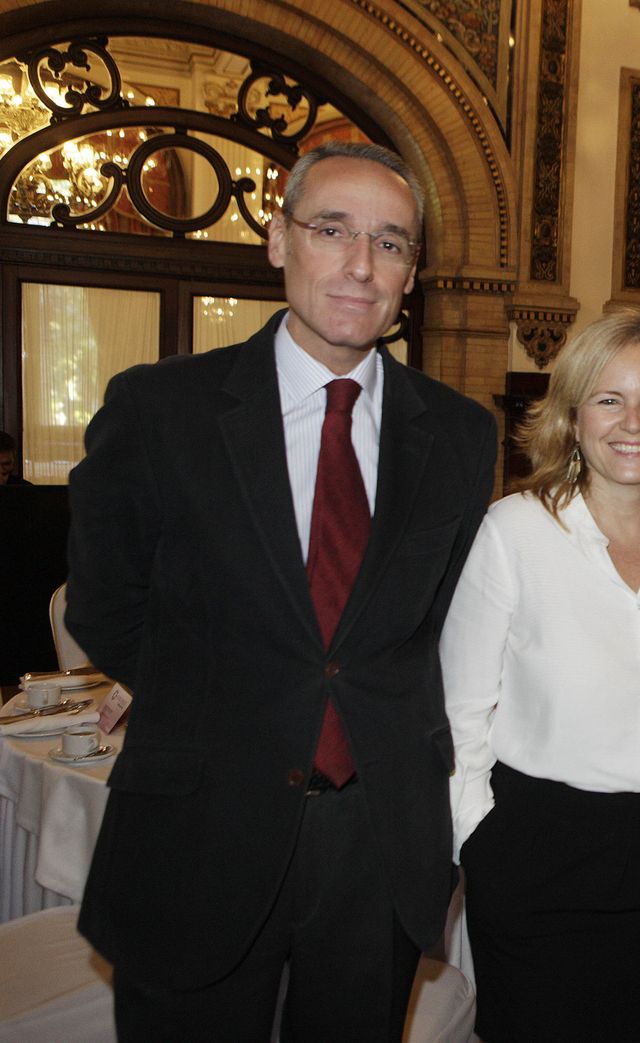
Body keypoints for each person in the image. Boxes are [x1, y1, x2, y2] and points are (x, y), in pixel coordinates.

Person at [66, 141, 498, 1039]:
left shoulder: (459, 435)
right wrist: (206, 695)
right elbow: (105, 603)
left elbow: (446, 625)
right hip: (200, 826)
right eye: (332, 230)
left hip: (377, 844)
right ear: (278, 240)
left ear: (412, 271)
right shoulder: (160, 409)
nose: (361, 264)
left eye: (390, 242)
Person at [442, 312, 640, 1042]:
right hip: (539, 856)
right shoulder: (514, 531)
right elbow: (460, 709)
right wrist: (478, 840)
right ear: (573, 417)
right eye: (609, 399)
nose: (632, 422)